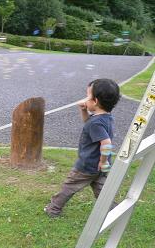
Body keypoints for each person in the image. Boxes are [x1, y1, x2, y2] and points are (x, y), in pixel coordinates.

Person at [44, 78, 120, 217]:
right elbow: (87, 123)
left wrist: (102, 161)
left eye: (87, 96)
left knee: (69, 186)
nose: (85, 99)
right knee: (102, 190)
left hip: (87, 165)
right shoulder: (106, 117)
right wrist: (84, 110)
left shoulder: (96, 123)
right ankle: (114, 211)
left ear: (95, 101)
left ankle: (53, 209)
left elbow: (106, 142)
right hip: (100, 166)